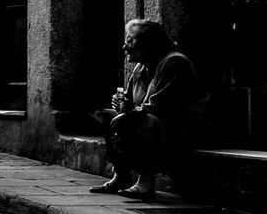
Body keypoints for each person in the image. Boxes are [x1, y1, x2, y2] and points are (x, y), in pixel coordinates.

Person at [88, 19, 210, 200]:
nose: (124, 47)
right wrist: (120, 105)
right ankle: (121, 176)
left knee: (137, 120)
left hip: (180, 129)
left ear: (149, 43)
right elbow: (129, 101)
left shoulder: (174, 62)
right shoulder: (140, 67)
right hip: (152, 122)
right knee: (104, 116)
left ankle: (146, 181)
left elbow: (161, 106)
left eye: (130, 41)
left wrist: (128, 113)